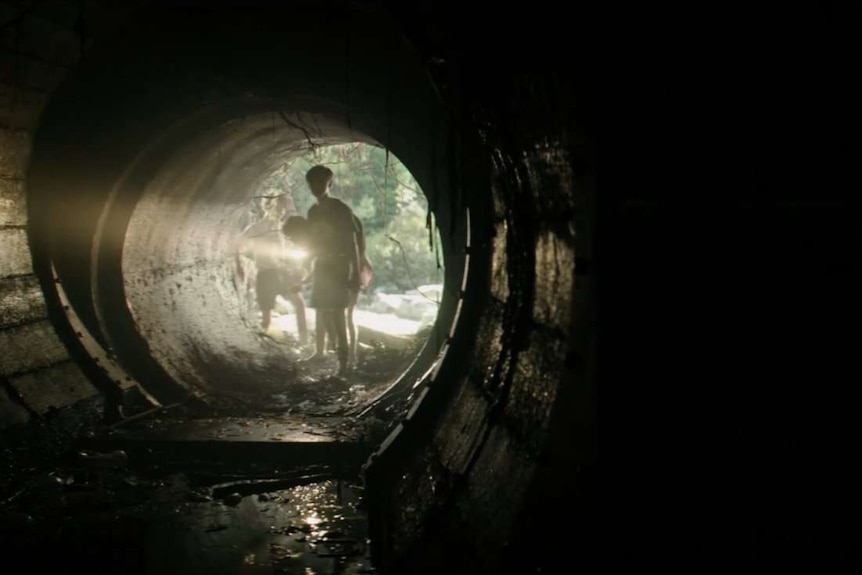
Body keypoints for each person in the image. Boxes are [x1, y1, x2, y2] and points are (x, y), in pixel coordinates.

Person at [301, 165, 368, 376]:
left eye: (321, 182)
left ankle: (344, 363)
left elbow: (352, 243)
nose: (316, 187)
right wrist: (306, 267)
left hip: (340, 265)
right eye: (313, 183)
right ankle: (338, 352)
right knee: (324, 313)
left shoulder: (340, 209)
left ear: (329, 183)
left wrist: (355, 273)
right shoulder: (313, 212)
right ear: (308, 185)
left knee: (339, 314)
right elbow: (312, 243)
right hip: (322, 266)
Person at [236, 195, 308, 345]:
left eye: (283, 208)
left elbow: (295, 249)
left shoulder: (285, 228)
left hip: (284, 273)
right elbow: (238, 246)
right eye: (279, 207)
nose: (282, 211)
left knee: (299, 305)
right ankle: (258, 346)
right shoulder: (256, 228)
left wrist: (299, 267)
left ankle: (304, 341)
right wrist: (241, 266)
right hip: (266, 274)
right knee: (266, 319)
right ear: (267, 207)